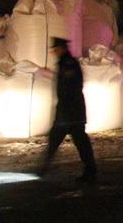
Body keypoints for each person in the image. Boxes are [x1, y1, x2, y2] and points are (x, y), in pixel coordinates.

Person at [38, 37, 97, 182]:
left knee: (73, 142)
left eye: (56, 49)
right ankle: (90, 170)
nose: (54, 52)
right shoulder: (65, 63)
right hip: (70, 112)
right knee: (77, 142)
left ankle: (42, 170)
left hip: (70, 113)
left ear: (62, 49)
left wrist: (64, 110)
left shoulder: (68, 64)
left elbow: (70, 89)